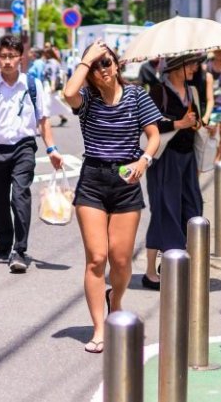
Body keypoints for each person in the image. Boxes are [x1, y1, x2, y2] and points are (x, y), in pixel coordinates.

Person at [63, 39, 160, 354]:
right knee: (96, 258)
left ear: (117, 65)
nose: (102, 69)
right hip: (92, 179)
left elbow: (154, 135)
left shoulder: (136, 97)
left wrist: (143, 161)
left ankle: (115, 300)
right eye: (96, 66)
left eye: (106, 62)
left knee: (120, 259)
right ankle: (99, 327)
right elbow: (67, 94)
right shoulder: (88, 99)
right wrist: (85, 59)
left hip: (125, 179)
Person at [0, 35, 64, 273]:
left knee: (19, 195)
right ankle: (5, 243)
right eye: (3, 56)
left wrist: (51, 149)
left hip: (24, 147)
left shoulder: (33, 86)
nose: (7, 61)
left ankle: (19, 250)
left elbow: (43, 121)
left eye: (12, 56)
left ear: (21, 58)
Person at [143, 54, 205, 290]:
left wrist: (197, 123)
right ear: (175, 67)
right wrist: (179, 123)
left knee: (192, 208)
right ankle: (150, 271)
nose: (194, 68)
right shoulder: (159, 91)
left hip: (187, 157)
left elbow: (196, 120)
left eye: (195, 63)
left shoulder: (193, 91)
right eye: (190, 64)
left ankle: (174, 260)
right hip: (165, 158)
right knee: (164, 209)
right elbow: (150, 123)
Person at [43, 47, 68, 126]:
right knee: (53, 101)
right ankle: (62, 117)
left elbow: (53, 75)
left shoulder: (52, 62)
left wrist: (53, 85)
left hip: (50, 84)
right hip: (49, 84)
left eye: (45, 53)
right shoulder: (51, 62)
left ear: (48, 54)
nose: (43, 55)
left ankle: (45, 120)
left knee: (47, 102)